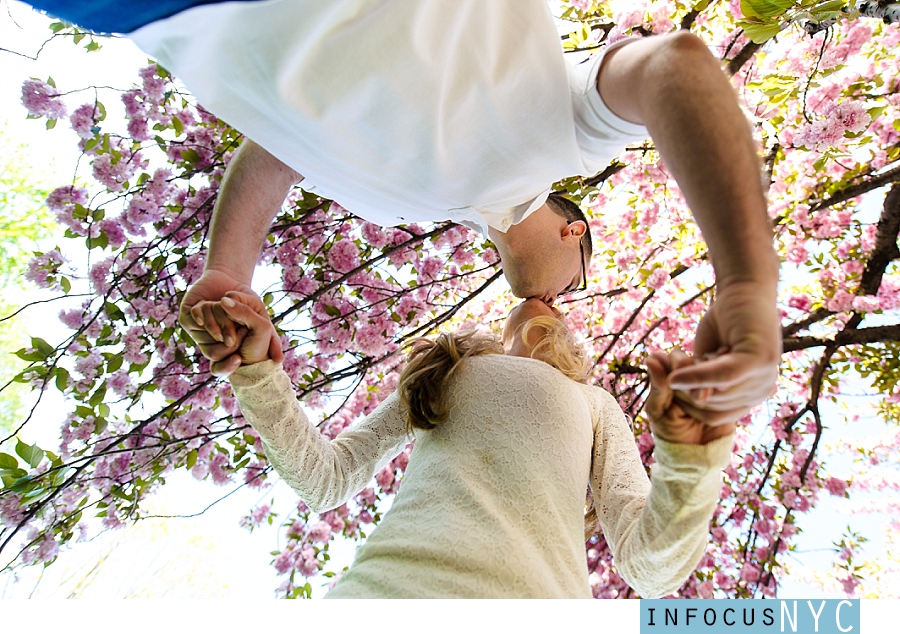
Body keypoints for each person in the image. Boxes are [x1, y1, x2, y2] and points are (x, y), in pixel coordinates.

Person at [23, 1, 781, 423]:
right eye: (578, 281)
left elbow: (274, 153)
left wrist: (227, 270)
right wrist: (746, 288)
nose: (562, 303)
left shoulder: (393, 204)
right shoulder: (568, 136)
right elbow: (675, 68)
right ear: (571, 228)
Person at [203, 290, 735, 598]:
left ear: (572, 337)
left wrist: (691, 465)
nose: (543, 301)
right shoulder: (450, 370)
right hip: (390, 594)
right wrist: (257, 373)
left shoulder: (592, 403)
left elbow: (647, 567)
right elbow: (329, 477)